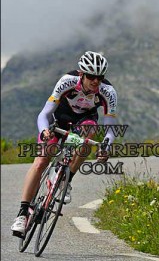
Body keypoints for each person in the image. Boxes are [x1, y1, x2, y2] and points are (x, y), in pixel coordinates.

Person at [11, 51, 118, 237]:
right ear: (81, 74)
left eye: (100, 77)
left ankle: (66, 179)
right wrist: (44, 131)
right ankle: (22, 213)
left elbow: (110, 128)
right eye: (91, 76)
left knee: (89, 134)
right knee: (41, 162)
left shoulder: (108, 92)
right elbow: (44, 114)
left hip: (85, 120)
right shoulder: (67, 81)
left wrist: (105, 148)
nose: (95, 81)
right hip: (58, 119)